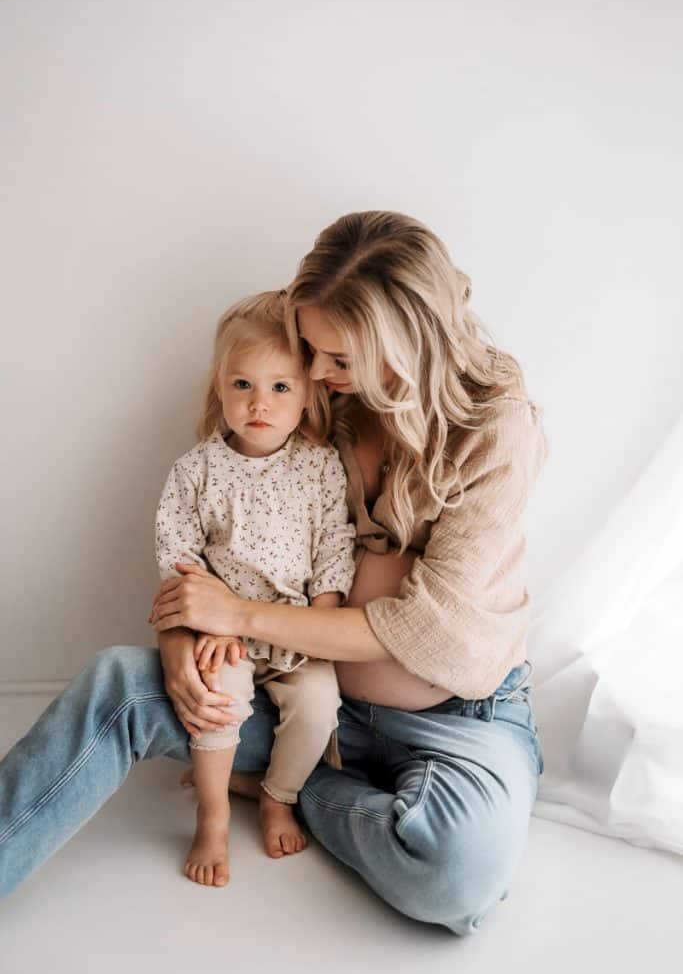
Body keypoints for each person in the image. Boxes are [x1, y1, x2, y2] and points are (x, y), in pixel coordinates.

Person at [0, 211, 547, 936]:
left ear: (403, 346)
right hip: (289, 695)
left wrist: (242, 616)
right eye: (313, 353)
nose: (316, 375)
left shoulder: (497, 430)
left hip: (457, 721)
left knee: (454, 875)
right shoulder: (325, 402)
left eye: (339, 360)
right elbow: (210, 545)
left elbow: (425, 627)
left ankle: (290, 788)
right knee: (115, 686)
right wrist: (180, 652)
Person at [154, 290, 356, 885]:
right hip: (225, 634)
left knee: (319, 706)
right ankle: (213, 814)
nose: (259, 403)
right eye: (243, 385)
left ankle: (278, 795)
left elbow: (333, 550)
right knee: (216, 700)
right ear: (220, 387)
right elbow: (179, 555)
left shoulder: (319, 465)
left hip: (295, 626)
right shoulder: (197, 469)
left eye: (280, 388)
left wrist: (322, 622)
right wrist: (205, 626)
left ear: (308, 395)